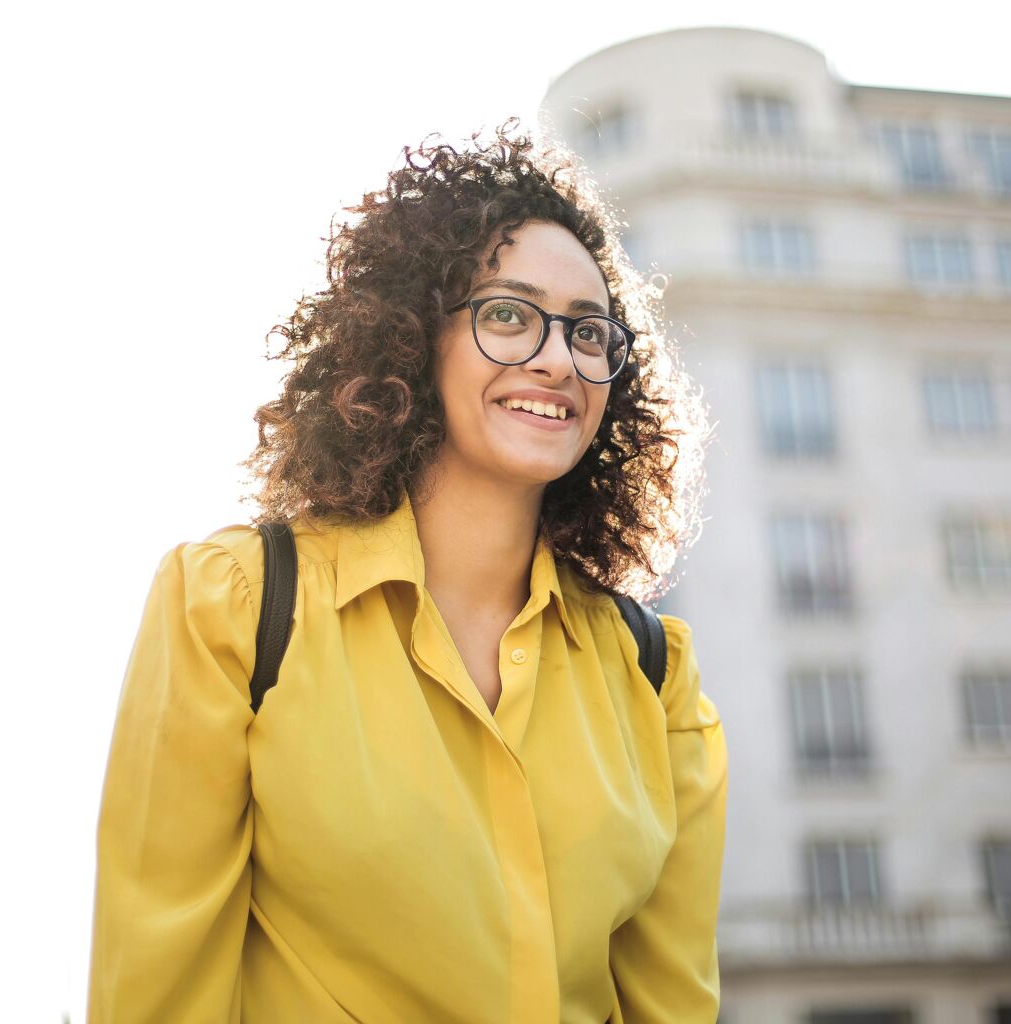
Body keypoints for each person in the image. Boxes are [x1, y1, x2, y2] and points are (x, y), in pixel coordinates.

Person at [87, 117, 727, 1023]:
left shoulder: (656, 678)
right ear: (412, 338)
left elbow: (673, 1008)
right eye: (508, 314)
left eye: (590, 333)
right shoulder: (231, 606)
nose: (557, 357)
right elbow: (157, 998)